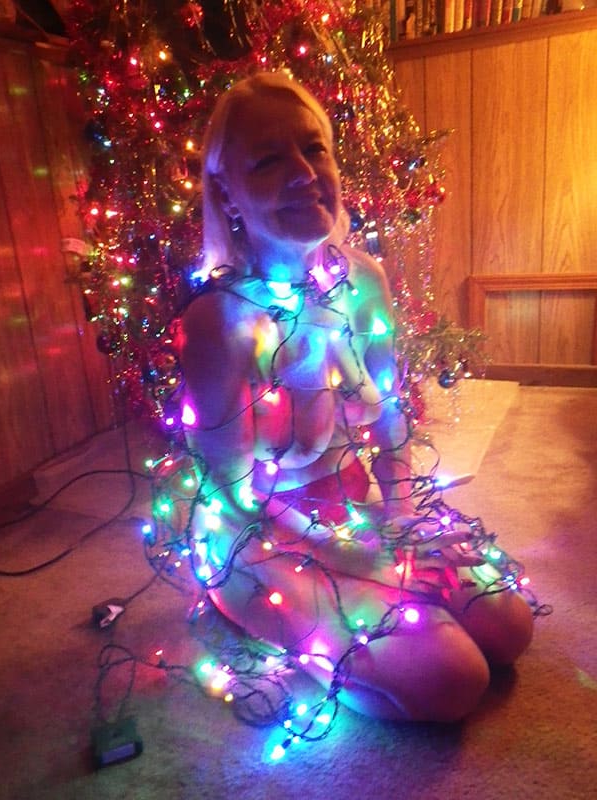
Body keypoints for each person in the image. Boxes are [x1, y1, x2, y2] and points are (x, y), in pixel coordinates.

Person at [178, 71, 534, 722]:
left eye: (313, 149)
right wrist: (356, 555)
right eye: (268, 160)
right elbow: (233, 497)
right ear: (226, 192)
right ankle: (280, 631)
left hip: (355, 510)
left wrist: (400, 520)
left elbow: (390, 422)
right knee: (451, 677)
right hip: (257, 543)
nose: (303, 174)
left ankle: (373, 614)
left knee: (509, 623)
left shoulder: (363, 280)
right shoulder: (217, 320)